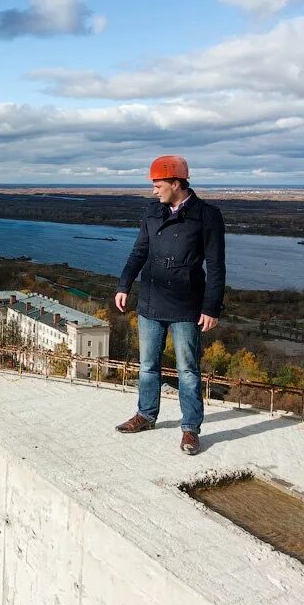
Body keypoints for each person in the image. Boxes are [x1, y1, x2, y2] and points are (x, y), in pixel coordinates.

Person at [113, 155, 225, 455]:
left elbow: (216, 267)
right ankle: (146, 415)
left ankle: (190, 429)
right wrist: (124, 285)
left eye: (158, 184)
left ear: (176, 183)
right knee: (148, 365)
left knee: (187, 369)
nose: (154, 191)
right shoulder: (152, 212)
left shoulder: (207, 216)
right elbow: (139, 252)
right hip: (151, 300)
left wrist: (211, 307)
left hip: (187, 304)